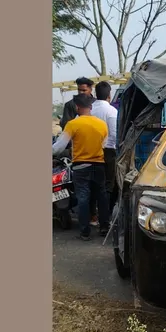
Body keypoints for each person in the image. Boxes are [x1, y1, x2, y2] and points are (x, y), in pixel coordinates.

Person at [52, 94, 110, 241]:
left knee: (83, 198)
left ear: (77, 107)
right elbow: (105, 144)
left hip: (80, 166)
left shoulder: (73, 124)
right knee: (101, 197)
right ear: (91, 107)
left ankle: (85, 232)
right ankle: (104, 227)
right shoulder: (102, 124)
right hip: (99, 165)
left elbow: (59, 148)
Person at [89, 81, 119, 216]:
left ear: (95, 93)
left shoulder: (88, 110)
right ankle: (105, 216)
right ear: (109, 94)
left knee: (92, 184)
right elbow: (114, 134)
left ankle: (93, 215)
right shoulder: (111, 111)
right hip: (107, 152)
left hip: (88, 152)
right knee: (108, 185)